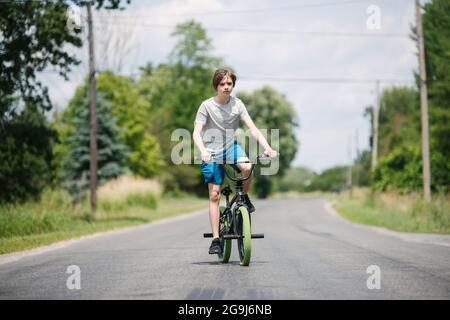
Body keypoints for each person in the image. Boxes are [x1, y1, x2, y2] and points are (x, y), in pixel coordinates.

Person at [193, 68, 278, 255]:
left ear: (233, 85)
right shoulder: (206, 106)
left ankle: (243, 197)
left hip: (231, 147)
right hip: (211, 151)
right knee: (214, 194)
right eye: (222, 84)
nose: (226, 87)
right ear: (216, 85)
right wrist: (203, 151)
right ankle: (216, 239)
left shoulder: (237, 105)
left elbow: (253, 129)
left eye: (229, 83)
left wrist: (267, 147)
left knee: (247, 168)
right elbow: (196, 132)